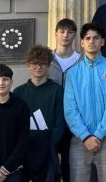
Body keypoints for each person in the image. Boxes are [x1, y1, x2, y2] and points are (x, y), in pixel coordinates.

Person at [64, 22, 106, 182]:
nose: (92, 41)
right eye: (87, 38)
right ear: (82, 43)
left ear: (102, 42)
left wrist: (98, 135)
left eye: (96, 38)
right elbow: (70, 109)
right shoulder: (72, 73)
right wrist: (85, 136)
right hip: (79, 141)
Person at [13, 45, 65, 182]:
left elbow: (60, 123)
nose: (38, 67)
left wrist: (49, 146)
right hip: (23, 152)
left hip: (48, 152)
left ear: (49, 66)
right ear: (28, 66)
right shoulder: (18, 92)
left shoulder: (57, 91)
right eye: (35, 63)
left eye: (43, 64)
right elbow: (14, 125)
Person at [49, 19, 81, 182]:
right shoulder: (47, 60)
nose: (65, 35)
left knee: (71, 166)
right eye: (62, 31)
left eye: (70, 32)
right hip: (52, 119)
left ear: (74, 35)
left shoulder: (81, 60)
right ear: (55, 34)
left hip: (73, 121)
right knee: (50, 165)